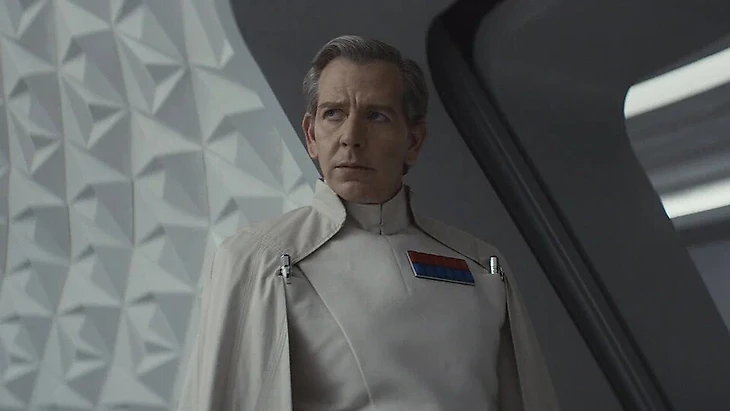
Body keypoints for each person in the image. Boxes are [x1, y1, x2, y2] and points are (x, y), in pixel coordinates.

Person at [177, 35, 560, 411]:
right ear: (311, 135)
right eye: (334, 114)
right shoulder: (256, 259)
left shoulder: (482, 265)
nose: (351, 137)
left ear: (414, 140)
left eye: (376, 116)